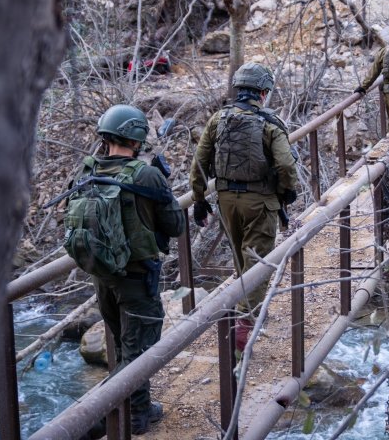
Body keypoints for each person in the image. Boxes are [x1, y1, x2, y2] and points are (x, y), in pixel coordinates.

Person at [74, 105, 185, 435]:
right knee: (138, 353)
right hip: (137, 279)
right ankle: (115, 419)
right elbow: (176, 225)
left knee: (124, 348)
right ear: (136, 139)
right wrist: (163, 186)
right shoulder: (146, 175)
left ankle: (137, 407)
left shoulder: (88, 171)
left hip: (103, 275)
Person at [189, 62, 298, 358]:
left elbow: (199, 162)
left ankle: (246, 312)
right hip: (260, 200)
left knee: (241, 256)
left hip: (226, 200)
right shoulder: (270, 123)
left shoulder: (218, 119)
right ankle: (244, 330)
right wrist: (288, 191)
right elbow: (286, 165)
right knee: (258, 262)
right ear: (263, 92)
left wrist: (199, 200)